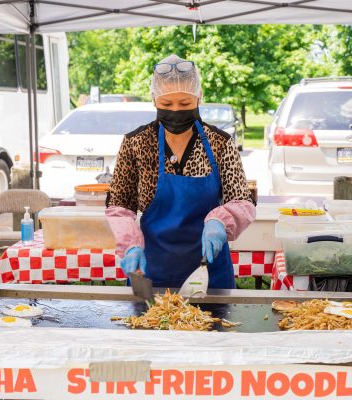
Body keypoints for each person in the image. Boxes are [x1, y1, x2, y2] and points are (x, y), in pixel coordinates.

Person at [106, 54, 256, 289]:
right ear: (154, 99)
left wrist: (220, 222)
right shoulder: (136, 143)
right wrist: (130, 243)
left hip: (210, 271)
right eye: (167, 104)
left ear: (199, 97)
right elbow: (119, 206)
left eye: (185, 104)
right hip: (151, 268)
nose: (175, 110)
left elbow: (242, 202)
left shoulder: (219, 143)